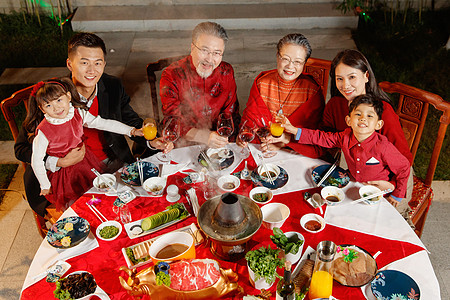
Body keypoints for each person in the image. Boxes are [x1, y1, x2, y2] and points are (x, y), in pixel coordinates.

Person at [14, 32, 172, 217]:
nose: (92, 70)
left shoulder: (112, 86)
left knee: (148, 203)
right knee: (92, 216)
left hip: (112, 163)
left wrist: (150, 140)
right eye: (84, 62)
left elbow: (131, 121)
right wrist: (58, 162)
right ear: (69, 64)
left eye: (98, 63)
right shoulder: (54, 98)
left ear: (104, 64)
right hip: (69, 175)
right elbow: (21, 148)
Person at [321, 49, 414, 217]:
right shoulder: (335, 105)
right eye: (339, 79)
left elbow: (404, 157)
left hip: (394, 176)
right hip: (357, 172)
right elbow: (323, 141)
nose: (345, 85)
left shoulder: (382, 112)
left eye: (352, 77)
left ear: (366, 76)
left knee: (383, 222)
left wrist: (392, 185)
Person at [27, 78, 144, 211]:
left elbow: (103, 123)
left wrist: (131, 130)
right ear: (42, 109)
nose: (56, 108)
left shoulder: (77, 113)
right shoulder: (43, 131)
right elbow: (36, 161)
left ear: (68, 96)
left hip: (86, 161)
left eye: (59, 100)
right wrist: (44, 185)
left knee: (97, 193)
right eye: (48, 105)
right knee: (76, 203)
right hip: (65, 174)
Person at [281, 94, 411, 207]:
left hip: (377, 192)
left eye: (370, 116)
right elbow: (321, 137)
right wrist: (294, 130)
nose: (363, 118)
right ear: (348, 120)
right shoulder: (344, 136)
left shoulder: (383, 146)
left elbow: (404, 167)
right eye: (358, 114)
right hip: (352, 186)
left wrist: (397, 195)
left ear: (379, 124)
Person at [238, 33, 325, 158]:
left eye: (297, 62)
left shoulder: (312, 91)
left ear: (304, 63)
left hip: (296, 151)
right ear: (277, 57)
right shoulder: (262, 83)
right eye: (285, 59)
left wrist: (282, 144)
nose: (290, 66)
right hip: (263, 147)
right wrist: (248, 136)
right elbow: (249, 121)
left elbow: (316, 137)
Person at [159, 21, 240, 149]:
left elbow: (231, 113)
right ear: (192, 48)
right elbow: (172, 120)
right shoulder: (171, 75)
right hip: (184, 142)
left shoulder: (226, 71)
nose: (209, 59)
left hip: (218, 140)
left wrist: (225, 141)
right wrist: (204, 137)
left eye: (217, 53)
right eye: (204, 50)